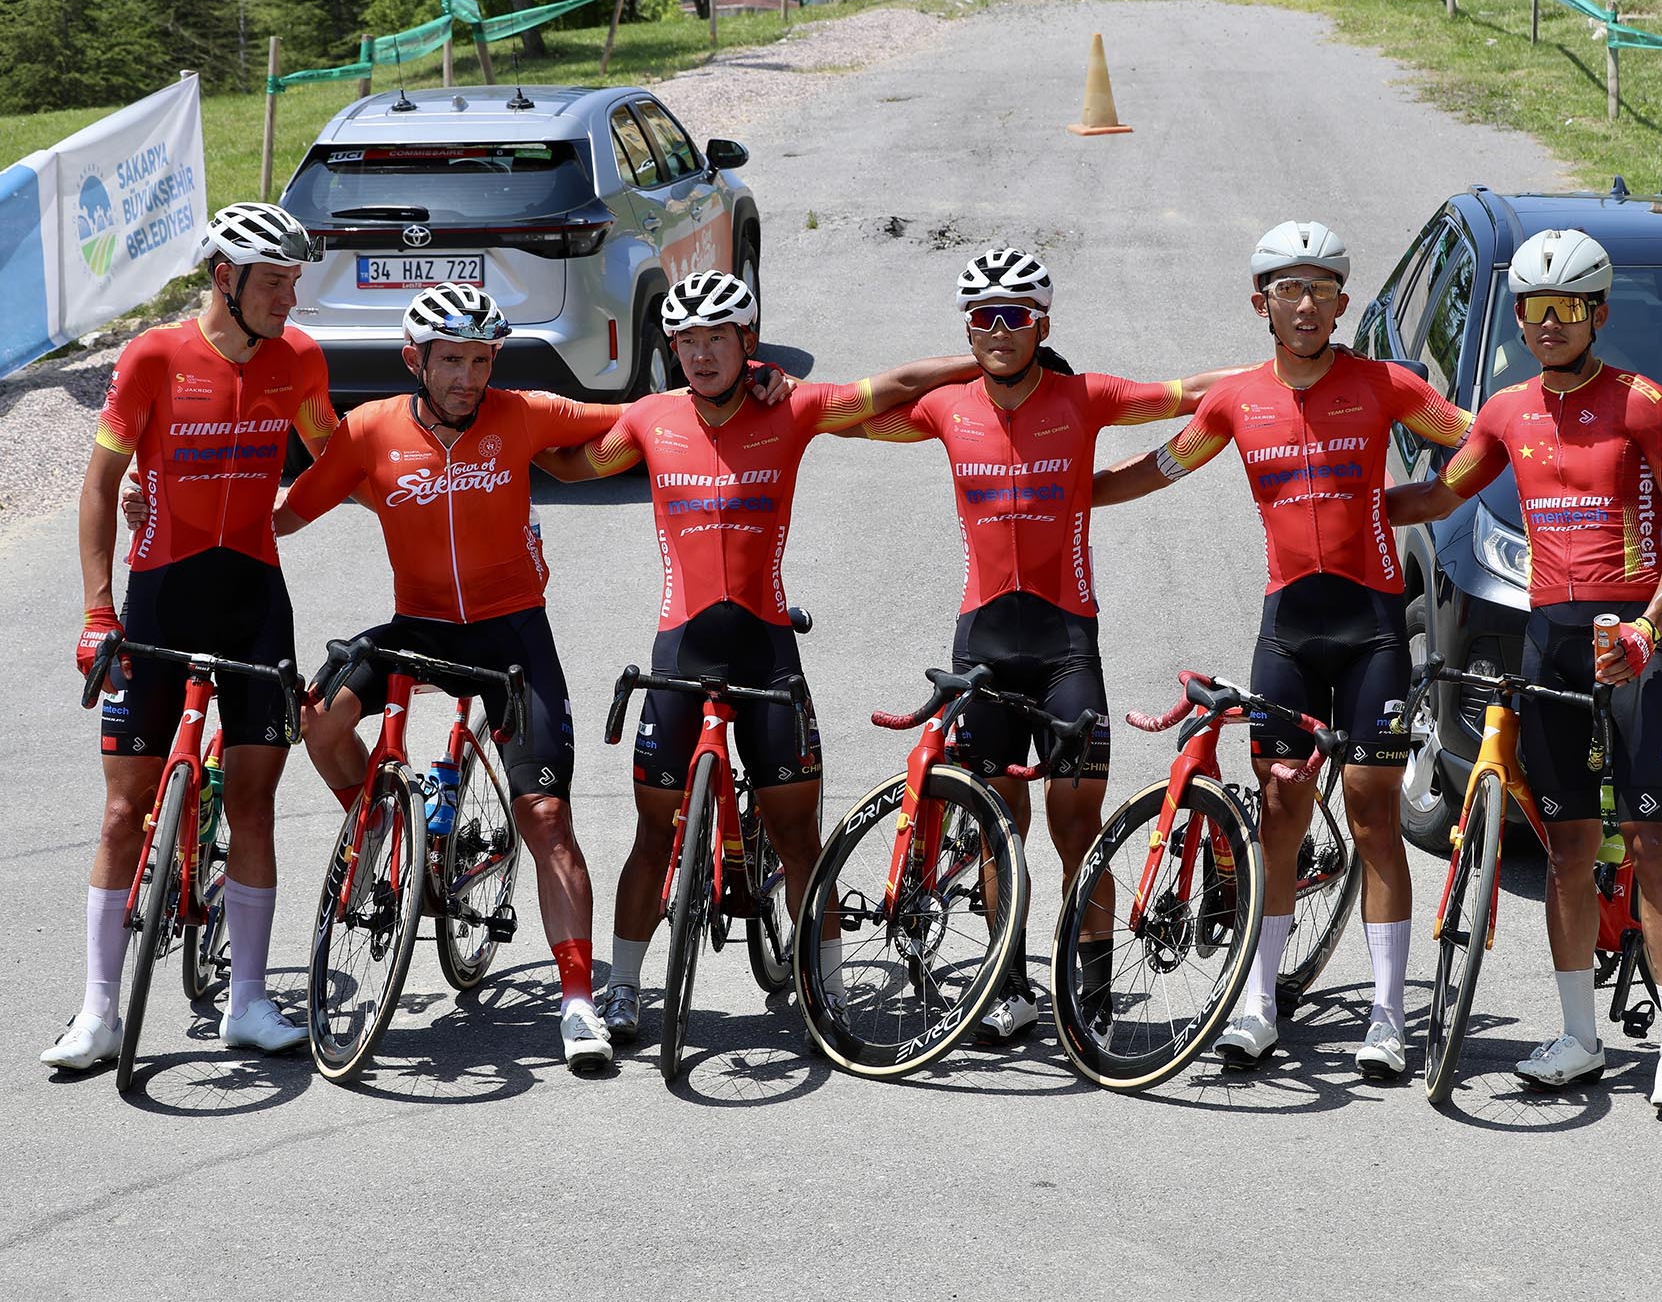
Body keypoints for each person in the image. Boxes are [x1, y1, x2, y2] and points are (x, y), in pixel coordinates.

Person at [534, 270, 978, 1042]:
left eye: (717, 338)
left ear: (748, 341)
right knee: (651, 835)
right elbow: (573, 466)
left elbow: (896, 386)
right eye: (686, 341)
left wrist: (986, 359)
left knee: (800, 837)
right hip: (679, 649)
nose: (700, 354)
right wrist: (507, 433)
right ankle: (626, 990)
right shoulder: (651, 418)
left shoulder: (794, 404)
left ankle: (828, 994)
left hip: (766, 650)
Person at [1094, 221, 1474, 1074]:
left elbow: (1481, 438)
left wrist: (1422, 501)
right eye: (1288, 290)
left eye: (1322, 290)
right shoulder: (1235, 400)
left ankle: (1386, 1016)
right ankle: (1259, 1002)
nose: (1306, 306)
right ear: (1260, 303)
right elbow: (1157, 467)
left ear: (1344, 301)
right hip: (1290, 633)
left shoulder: (1384, 383)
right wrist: (1060, 493)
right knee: (1278, 813)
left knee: (1376, 815)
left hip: (1373, 626)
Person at [857, 248, 1238, 1043]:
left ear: (1045, 324)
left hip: (1068, 644)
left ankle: (1091, 990)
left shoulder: (1083, 395)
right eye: (983, 317)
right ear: (967, 329)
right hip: (983, 644)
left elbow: (1181, 395)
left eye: (1016, 316)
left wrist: (1272, 376)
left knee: (1077, 825)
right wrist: (964, 361)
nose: (1000, 330)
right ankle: (1009, 981)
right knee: (999, 822)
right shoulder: (946, 407)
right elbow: (857, 409)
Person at [1389, 228, 1662, 1111]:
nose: (1547, 324)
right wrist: (1338, 497)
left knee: (1651, 843)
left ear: (1598, 314)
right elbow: (1440, 495)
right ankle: (1579, 1035)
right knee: (1568, 848)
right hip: (1551, 641)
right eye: (1534, 309)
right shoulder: (1506, 411)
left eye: (1566, 309)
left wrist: (1652, 625)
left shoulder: (1645, 404)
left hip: (1633, 643)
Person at [274, 283, 630, 1073]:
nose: (471, 376)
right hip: (417, 625)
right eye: (454, 361)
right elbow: (287, 514)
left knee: (545, 817)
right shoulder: (370, 431)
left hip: (512, 636)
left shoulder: (523, 413)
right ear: (416, 360)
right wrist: (170, 499)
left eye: (482, 358)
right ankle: (377, 826)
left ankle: (577, 1004)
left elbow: (641, 415)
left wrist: (747, 383)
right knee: (320, 721)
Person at [47, 203, 336, 1070]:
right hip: (162, 601)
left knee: (251, 801)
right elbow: (100, 485)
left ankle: (248, 999)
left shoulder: (299, 360)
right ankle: (98, 1011)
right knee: (124, 809)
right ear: (226, 280)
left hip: (256, 602)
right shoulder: (154, 357)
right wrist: (99, 611)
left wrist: (289, 513)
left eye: (294, 280)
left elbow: (341, 455)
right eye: (276, 282)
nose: (292, 296)